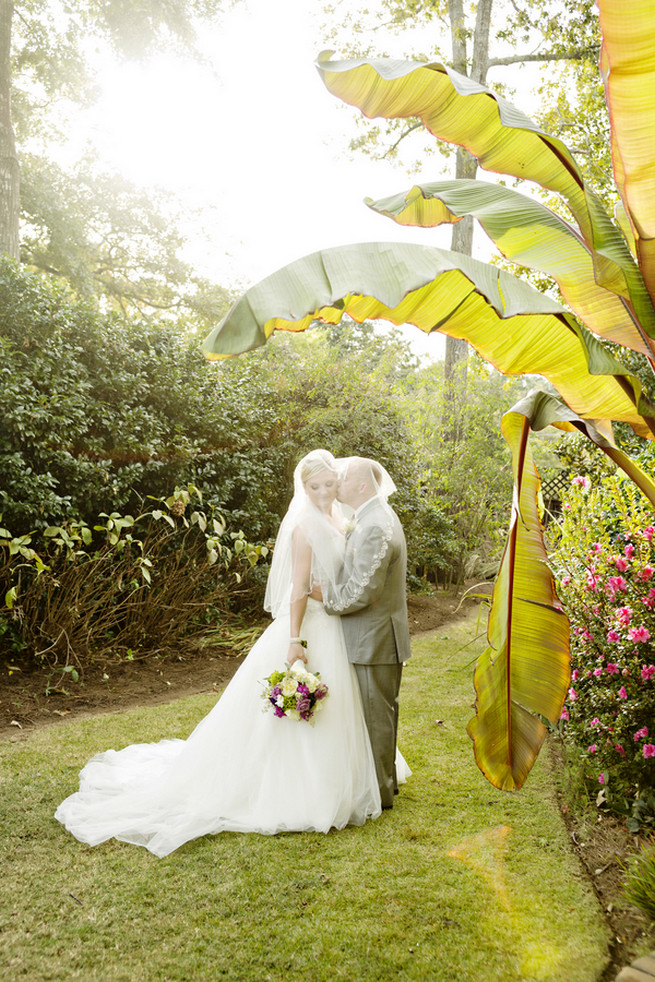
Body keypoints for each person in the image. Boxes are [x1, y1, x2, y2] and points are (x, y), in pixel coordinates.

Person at [55, 449, 407, 858]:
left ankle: (353, 778)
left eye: (331, 483)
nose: (326, 491)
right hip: (312, 626)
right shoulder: (303, 527)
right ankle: (298, 788)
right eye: (317, 486)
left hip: (338, 628)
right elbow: (298, 588)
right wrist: (294, 640)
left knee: (346, 710)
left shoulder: (341, 520)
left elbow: (346, 577)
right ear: (303, 487)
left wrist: (328, 597)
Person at [318, 457, 411, 810]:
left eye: (342, 479)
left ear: (361, 486)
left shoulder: (375, 524)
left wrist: (324, 599)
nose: (336, 485)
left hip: (374, 638)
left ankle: (380, 792)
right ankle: (382, 782)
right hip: (374, 635)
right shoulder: (372, 517)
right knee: (380, 713)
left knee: (376, 716)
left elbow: (364, 590)